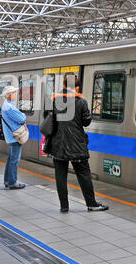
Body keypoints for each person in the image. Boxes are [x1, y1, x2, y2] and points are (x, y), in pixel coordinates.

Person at [46, 76, 108, 213]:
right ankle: (91, 204)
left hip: (58, 144)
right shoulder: (81, 102)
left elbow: (50, 120)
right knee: (84, 174)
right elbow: (86, 122)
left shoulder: (55, 101)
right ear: (77, 87)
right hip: (76, 145)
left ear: (64, 85)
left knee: (60, 176)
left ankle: (64, 206)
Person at [1, 85, 26, 190]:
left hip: (11, 136)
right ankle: (12, 182)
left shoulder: (6, 105)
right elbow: (22, 118)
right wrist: (23, 115)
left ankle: (7, 180)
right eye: (14, 93)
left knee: (11, 159)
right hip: (15, 136)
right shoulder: (9, 107)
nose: (16, 95)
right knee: (14, 160)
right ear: (9, 95)